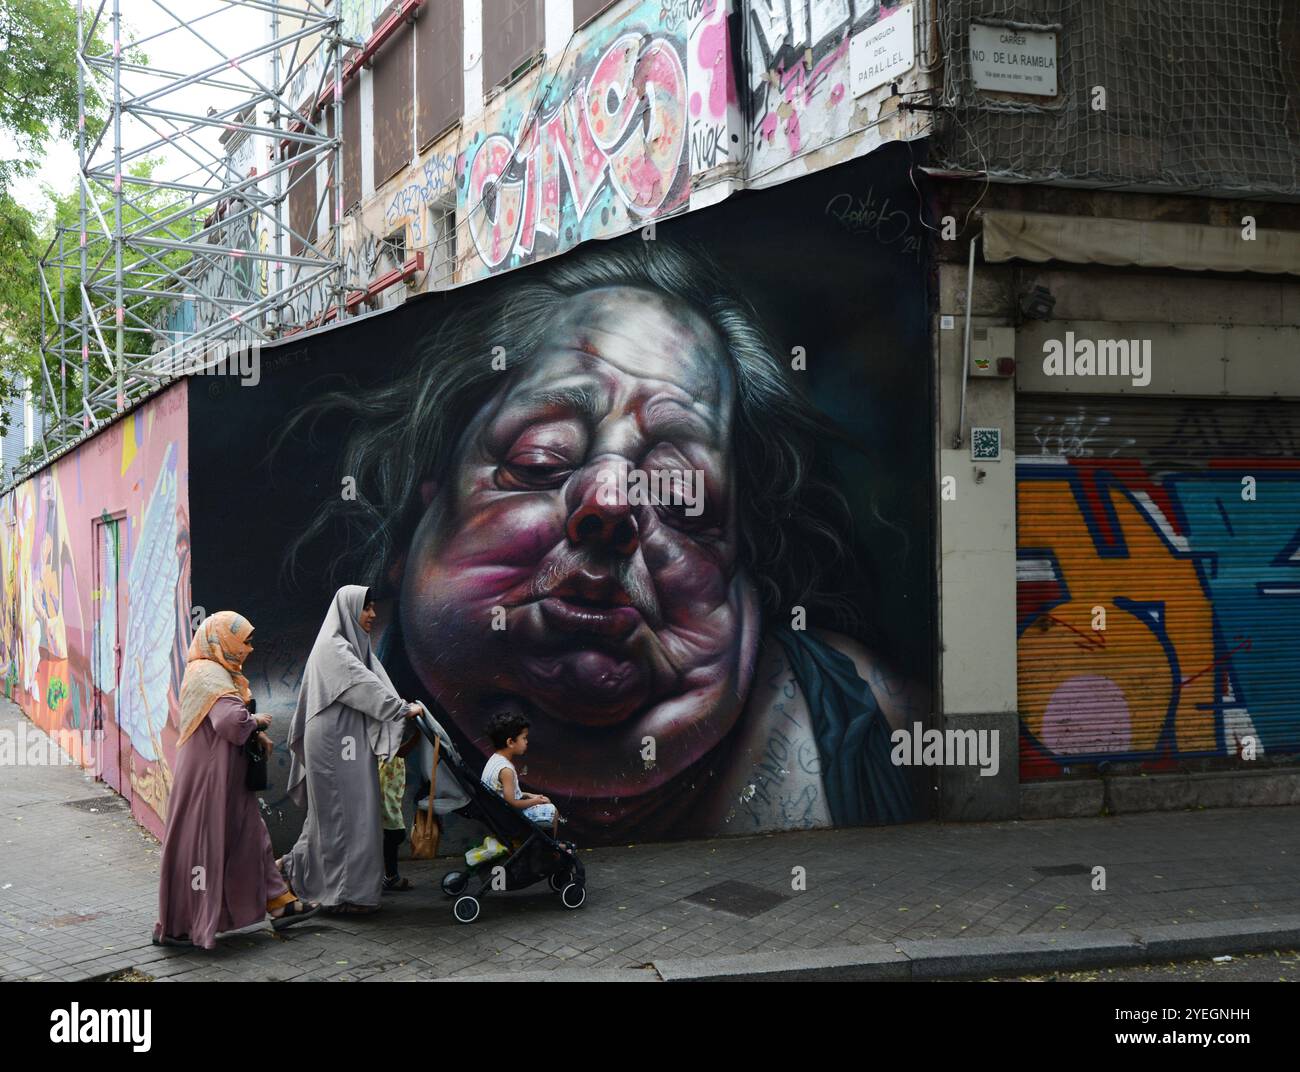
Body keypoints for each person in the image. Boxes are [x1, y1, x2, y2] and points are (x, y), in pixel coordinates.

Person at [287, 241, 927, 842]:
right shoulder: (296, 730)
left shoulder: (870, 715)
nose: (611, 501)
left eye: (680, 493)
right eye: (540, 461)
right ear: (414, 526)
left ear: (746, 565)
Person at [154, 611, 318, 949]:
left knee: (252, 837)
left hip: (227, 777)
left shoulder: (215, 671)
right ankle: (186, 924)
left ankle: (280, 902)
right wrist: (255, 721)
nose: (249, 648)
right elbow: (229, 722)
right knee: (203, 846)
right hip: (209, 780)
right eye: (244, 640)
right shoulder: (209, 675)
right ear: (223, 640)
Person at [280, 586, 420, 914]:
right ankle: (344, 894)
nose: (372, 614)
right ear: (347, 610)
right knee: (348, 815)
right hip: (336, 745)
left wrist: (398, 708)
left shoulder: (348, 646)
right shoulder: (335, 648)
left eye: (373, 607)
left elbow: (369, 680)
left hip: (342, 741)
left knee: (332, 817)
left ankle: (289, 871)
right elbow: (363, 685)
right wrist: (400, 709)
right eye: (365, 607)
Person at [481, 711, 560, 836]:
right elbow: (512, 803)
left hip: (498, 815)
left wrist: (529, 795)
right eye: (523, 738)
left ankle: (543, 846)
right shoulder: (506, 770)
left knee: (543, 800)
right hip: (510, 819)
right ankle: (551, 849)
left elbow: (503, 794)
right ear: (510, 742)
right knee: (551, 810)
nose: (526, 742)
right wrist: (535, 801)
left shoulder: (494, 760)